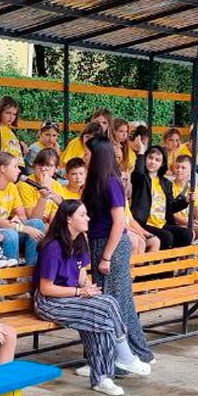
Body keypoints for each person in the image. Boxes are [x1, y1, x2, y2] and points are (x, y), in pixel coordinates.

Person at [33, 200, 150, 396]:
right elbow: (46, 289)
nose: (88, 218)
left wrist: (87, 287)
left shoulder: (80, 241)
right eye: (82, 215)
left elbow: (81, 275)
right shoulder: (53, 247)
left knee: (107, 304)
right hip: (49, 302)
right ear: (68, 219)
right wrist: (80, 293)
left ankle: (109, 372)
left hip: (70, 297)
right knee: (102, 313)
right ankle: (110, 370)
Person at [83, 136, 154, 367]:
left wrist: (106, 257)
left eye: (88, 153)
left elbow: (119, 222)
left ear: (98, 156)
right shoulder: (95, 182)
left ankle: (124, 356)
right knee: (115, 301)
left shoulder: (111, 182)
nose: (84, 157)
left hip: (111, 246)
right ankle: (128, 354)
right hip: (100, 243)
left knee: (114, 302)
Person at [0, 152, 43, 265]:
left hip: (10, 227)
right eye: (15, 166)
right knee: (11, 234)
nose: (19, 171)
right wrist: (21, 227)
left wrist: (18, 221)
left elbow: (22, 216)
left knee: (37, 223)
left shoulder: (12, 187)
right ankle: (12, 273)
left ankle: (32, 268)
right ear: (3, 169)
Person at [129, 146, 192, 250]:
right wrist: (141, 152)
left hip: (161, 223)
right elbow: (139, 172)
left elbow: (171, 207)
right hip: (144, 222)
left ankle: (172, 259)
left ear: (162, 164)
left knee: (186, 234)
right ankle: (159, 260)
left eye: (157, 160)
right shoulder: (141, 179)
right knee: (167, 237)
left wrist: (185, 201)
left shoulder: (166, 183)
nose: (152, 162)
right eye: (150, 158)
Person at [17, 147, 74, 227]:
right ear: (34, 166)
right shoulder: (24, 184)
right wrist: (43, 195)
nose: (43, 169)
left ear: (56, 168)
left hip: (47, 226)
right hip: (28, 226)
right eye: (40, 165)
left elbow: (54, 217)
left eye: (48, 165)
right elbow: (33, 220)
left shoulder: (56, 185)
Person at [0, 96, 25, 161]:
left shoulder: (12, 131)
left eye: (14, 114)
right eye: (8, 113)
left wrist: (22, 145)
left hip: (18, 164)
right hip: (5, 164)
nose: (11, 117)